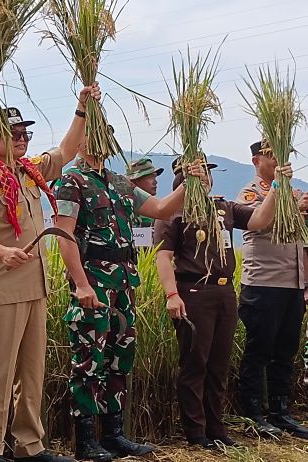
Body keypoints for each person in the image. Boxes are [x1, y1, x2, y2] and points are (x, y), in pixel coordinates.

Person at [0, 86, 100, 462]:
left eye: (25, 134)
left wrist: (82, 108)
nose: (21, 140)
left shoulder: (29, 171)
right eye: (13, 133)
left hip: (34, 288)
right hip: (0, 289)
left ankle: (29, 446)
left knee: (32, 373)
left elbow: (66, 152)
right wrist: (2, 251)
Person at [52, 140, 208, 461]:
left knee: (118, 358)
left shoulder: (119, 182)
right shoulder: (71, 182)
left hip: (124, 284)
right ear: (81, 142)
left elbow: (162, 209)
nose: (100, 145)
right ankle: (85, 441)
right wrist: (81, 285)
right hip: (93, 283)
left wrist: (190, 182)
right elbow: (64, 235)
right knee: (88, 360)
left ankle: (113, 435)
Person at [154, 157, 288, 449]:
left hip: (225, 293)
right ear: (181, 179)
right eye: (195, 173)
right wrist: (171, 294)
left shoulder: (223, 207)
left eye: (206, 172)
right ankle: (197, 432)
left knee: (218, 364)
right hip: (193, 292)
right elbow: (163, 256)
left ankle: (217, 428)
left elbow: (259, 220)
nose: (203, 177)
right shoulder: (174, 212)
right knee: (195, 363)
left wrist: (277, 185)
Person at [235, 139, 308, 439]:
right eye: (270, 155)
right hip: (263, 283)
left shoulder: (293, 192)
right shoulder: (252, 193)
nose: (277, 159)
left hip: (293, 283)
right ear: (256, 161)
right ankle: (253, 413)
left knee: (286, 350)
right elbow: (260, 223)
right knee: (259, 350)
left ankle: (280, 411)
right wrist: (289, 203)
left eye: (280, 154)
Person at [125, 157, 165, 227]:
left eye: (155, 177)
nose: (155, 182)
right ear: (134, 182)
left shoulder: (155, 211)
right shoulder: (126, 210)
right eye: (149, 177)